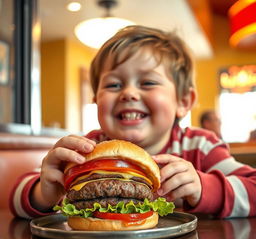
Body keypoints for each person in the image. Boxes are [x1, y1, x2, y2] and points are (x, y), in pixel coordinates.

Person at [10, 25, 256, 219]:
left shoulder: (200, 146)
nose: (128, 93)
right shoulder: (87, 149)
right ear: (96, 100)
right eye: (113, 85)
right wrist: (43, 193)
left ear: (183, 100)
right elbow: (16, 195)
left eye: (148, 82)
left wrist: (205, 188)